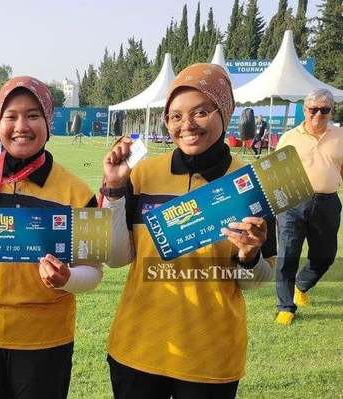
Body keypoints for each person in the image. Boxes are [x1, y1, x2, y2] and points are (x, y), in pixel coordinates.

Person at [101, 64, 274, 398]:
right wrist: (114, 189)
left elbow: (261, 278)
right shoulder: (143, 173)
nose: (187, 125)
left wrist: (249, 255)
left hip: (210, 357)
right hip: (138, 349)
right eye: (175, 116)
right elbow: (118, 258)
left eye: (200, 112)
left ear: (224, 113)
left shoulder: (251, 183)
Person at [0, 76, 101, 399]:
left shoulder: (78, 191)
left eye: (33, 115)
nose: (21, 126)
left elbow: (94, 272)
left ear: (48, 122)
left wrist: (67, 277)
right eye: (11, 116)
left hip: (44, 340)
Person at [274, 88, 343, 326]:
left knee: (324, 256)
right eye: (313, 109)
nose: (318, 114)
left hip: (328, 203)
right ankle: (285, 307)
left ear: (331, 110)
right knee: (287, 255)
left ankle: (301, 286)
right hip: (293, 202)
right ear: (305, 110)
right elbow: (275, 173)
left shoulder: (340, 136)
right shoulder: (289, 138)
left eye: (324, 110)